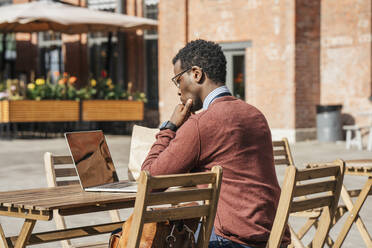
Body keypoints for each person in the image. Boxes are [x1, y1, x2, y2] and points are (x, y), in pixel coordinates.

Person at [141, 39, 290, 248]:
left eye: (178, 80)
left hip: (232, 240)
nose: (178, 90)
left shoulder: (201, 124)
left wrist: (170, 127)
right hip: (272, 236)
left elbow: (149, 180)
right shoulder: (256, 114)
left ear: (196, 74)